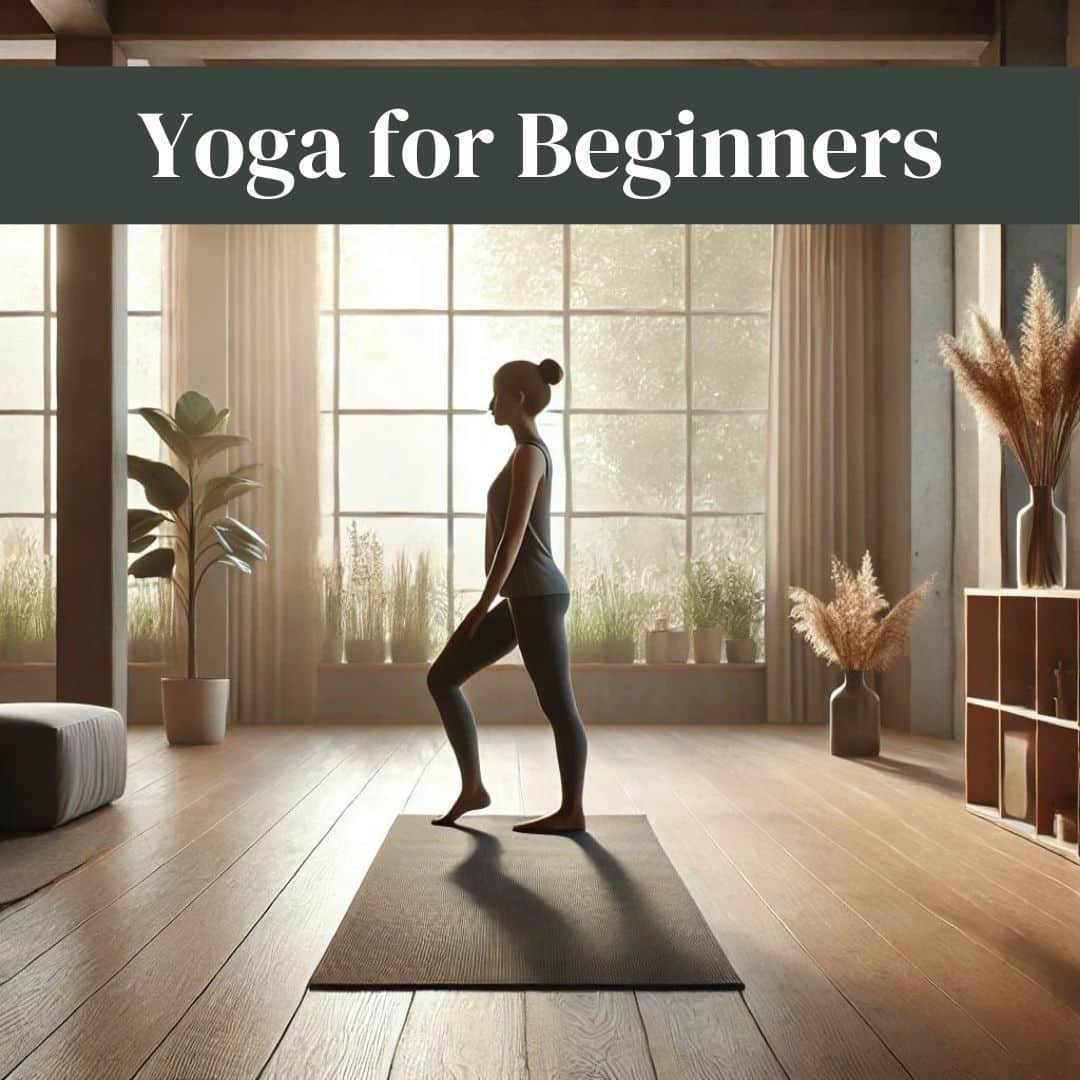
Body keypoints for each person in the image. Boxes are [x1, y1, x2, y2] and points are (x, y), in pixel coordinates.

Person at [427, 357, 588, 833]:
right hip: (524, 597)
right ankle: (473, 787)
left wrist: (482, 604)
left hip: (537, 596)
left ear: (518, 398)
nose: (489, 405)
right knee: (443, 678)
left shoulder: (529, 454)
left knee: (559, 706)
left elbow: (513, 537)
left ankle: (571, 811)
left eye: (497, 395)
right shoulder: (524, 453)